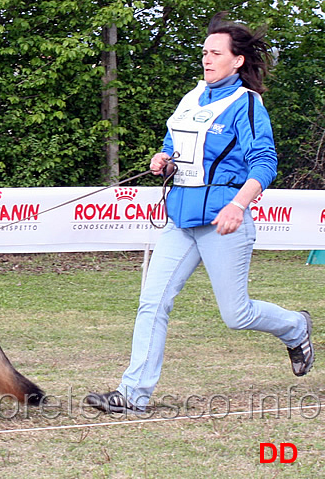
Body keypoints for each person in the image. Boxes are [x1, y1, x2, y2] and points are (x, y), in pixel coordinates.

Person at [86, 12, 314, 414]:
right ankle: (133, 394)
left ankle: (295, 327)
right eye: (204, 53)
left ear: (237, 60)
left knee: (236, 314)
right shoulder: (191, 98)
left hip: (224, 222)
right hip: (181, 220)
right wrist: (163, 160)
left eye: (215, 53)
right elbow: (173, 145)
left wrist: (238, 205)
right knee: (152, 303)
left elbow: (264, 162)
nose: (207, 60)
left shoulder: (246, 104)